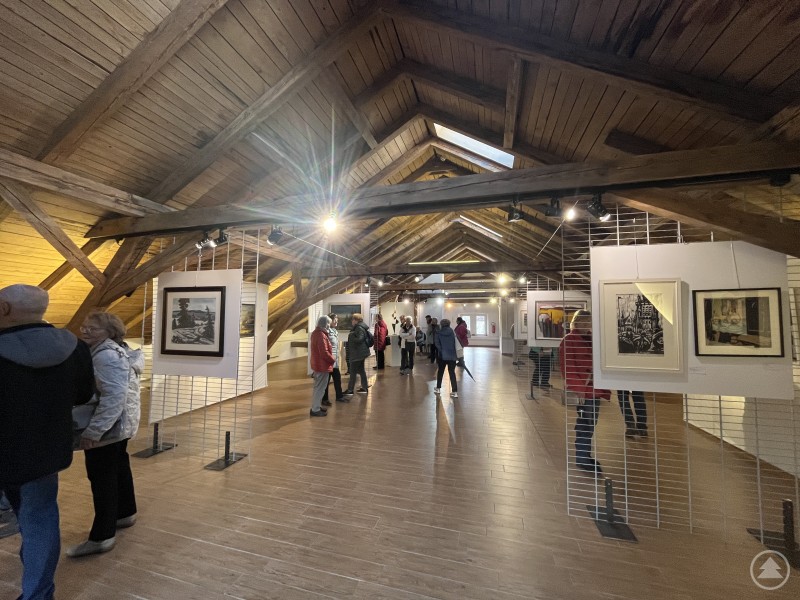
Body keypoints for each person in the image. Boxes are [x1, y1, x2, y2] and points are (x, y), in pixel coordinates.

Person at [0, 284, 94, 599]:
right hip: (44, 450)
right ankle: (38, 594)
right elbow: (83, 394)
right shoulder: (74, 346)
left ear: (4, 309)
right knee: (40, 518)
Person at [68, 312, 144, 558]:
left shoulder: (107, 356)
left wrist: (94, 431)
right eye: (85, 326)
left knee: (102, 478)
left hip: (110, 428)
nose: (85, 331)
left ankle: (102, 537)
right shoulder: (110, 351)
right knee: (118, 468)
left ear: (110, 333)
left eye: (93, 329)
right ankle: (125, 513)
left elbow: (113, 399)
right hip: (119, 425)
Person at [559, 310, 610, 475]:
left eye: (589, 322)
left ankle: (585, 455)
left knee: (590, 423)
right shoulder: (569, 341)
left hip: (593, 389)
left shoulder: (592, 340)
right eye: (584, 322)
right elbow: (569, 368)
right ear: (577, 322)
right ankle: (582, 458)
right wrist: (580, 389)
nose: (587, 325)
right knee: (585, 423)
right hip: (583, 391)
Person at [309, 315, 334, 417]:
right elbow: (324, 352)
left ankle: (317, 407)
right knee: (320, 388)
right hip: (322, 365)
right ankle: (315, 409)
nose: (330, 325)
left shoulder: (318, 333)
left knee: (319, 388)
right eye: (329, 323)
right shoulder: (320, 335)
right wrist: (333, 359)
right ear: (325, 323)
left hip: (320, 364)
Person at [343, 313, 370, 396]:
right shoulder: (360, 327)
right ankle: (364, 388)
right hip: (360, 353)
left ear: (356, 320)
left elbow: (360, 339)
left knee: (353, 371)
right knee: (361, 371)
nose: (351, 321)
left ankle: (350, 390)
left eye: (353, 319)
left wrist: (351, 336)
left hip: (357, 354)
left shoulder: (359, 328)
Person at [322, 314, 346, 406]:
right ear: (329, 321)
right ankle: (324, 399)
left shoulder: (335, 331)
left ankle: (339, 396)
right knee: (326, 381)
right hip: (328, 360)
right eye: (335, 320)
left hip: (334, 361)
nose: (337, 321)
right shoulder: (326, 332)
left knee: (337, 378)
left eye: (337, 320)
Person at [434, 319, 458, 398]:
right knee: (452, 373)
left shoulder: (438, 333)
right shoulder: (452, 332)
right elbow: (456, 343)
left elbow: (437, 344)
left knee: (440, 372)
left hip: (442, 356)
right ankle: (454, 392)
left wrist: (442, 351)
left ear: (441, 325)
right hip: (452, 355)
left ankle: (438, 388)